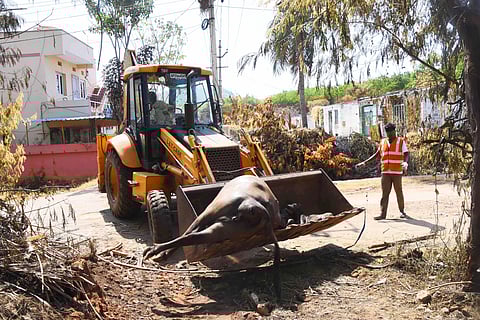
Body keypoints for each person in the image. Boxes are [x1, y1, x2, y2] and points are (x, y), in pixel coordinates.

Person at [356, 122, 409, 220]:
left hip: (396, 171)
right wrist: (365, 162)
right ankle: (382, 214)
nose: (390, 134)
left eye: (392, 132)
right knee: (385, 193)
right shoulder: (383, 142)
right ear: (386, 132)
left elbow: (406, 154)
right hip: (385, 171)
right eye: (388, 132)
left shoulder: (401, 141)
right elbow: (377, 154)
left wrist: (405, 163)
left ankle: (402, 211)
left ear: (394, 131)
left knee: (398, 191)